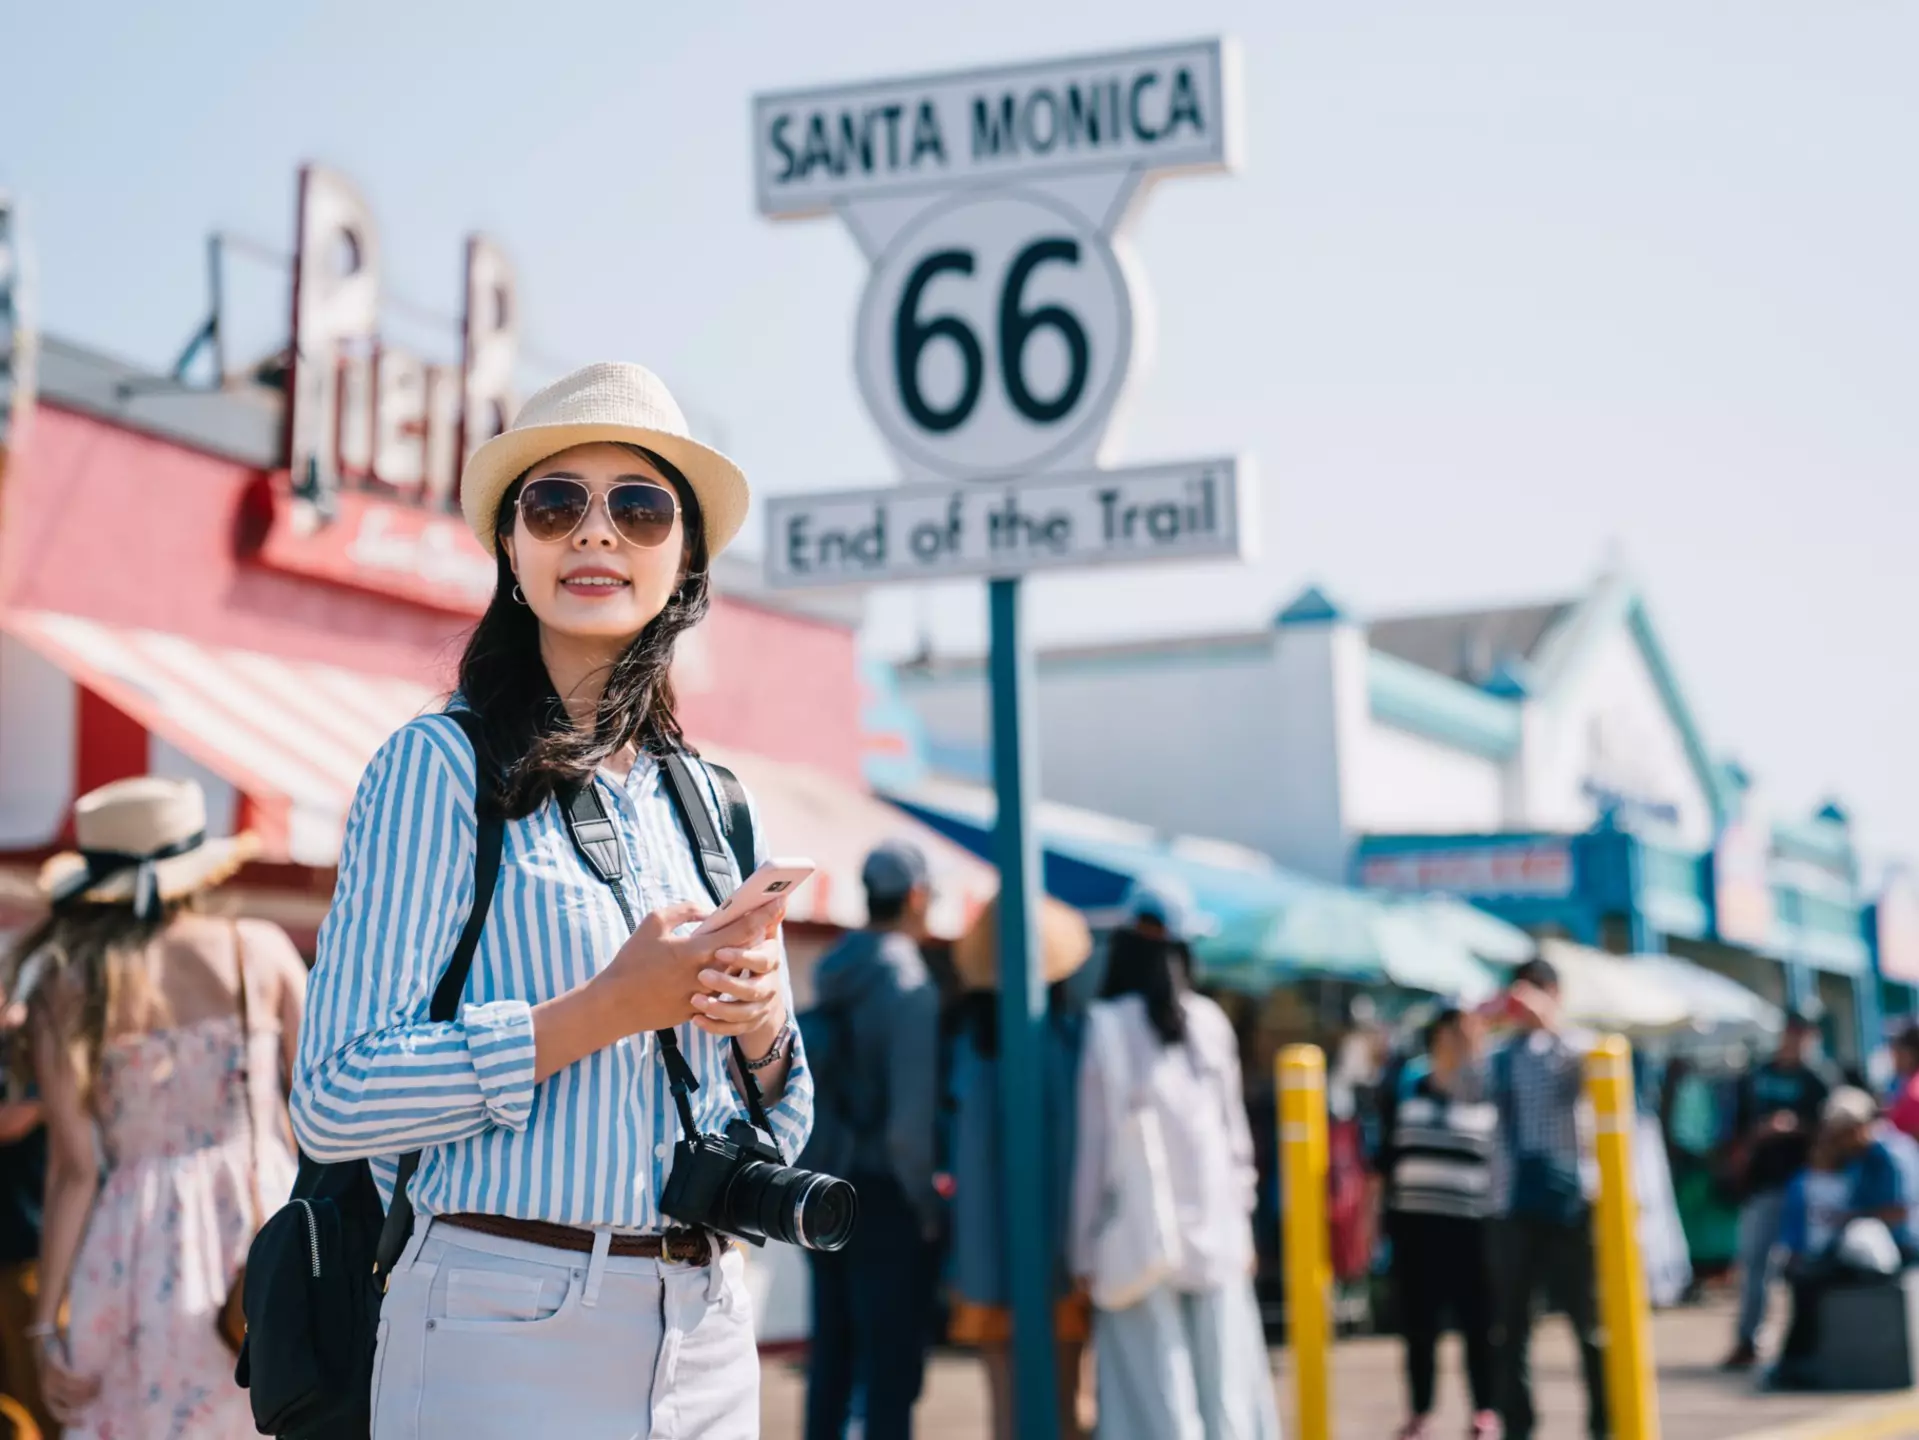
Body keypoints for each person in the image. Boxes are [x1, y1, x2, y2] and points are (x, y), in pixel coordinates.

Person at [291, 363, 811, 1438]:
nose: (595, 534)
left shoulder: (712, 803)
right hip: (498, 1327)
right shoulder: (437, 767)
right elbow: (333, 1099)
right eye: (554, 503)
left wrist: (761, 1031)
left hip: (709, 1330)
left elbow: (784, 1122)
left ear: (685, 561)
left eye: (638, 506)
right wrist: (607, 1008)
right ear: (510, 550)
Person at [3, 777, 305, 1438]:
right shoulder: (260, 949)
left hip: (129, 1250)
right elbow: (326, 1106)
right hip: (259, 1225)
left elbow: (73, 1171)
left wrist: (43, 1319)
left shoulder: (70, 980)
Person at [1070, 928, 1279, 1440]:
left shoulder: (1106, 1027)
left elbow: (1093, 1152)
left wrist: (1081, 1250)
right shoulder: (1210, 1021)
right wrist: (1244, 1222)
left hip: (1139, 1240)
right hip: (1217, 1236)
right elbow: (1235, 1140)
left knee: (1158, 1408)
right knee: (1226, 1399)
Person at [800, 840, 942, 1440]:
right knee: (889, 1367)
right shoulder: (909, 985)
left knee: (830, 1355)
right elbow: (910, 1129)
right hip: (885, 1194)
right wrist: (928, 1207)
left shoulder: (834, 971)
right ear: (915, 897)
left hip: (824, 1186)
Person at [945, 897, 1095, 1440]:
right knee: (1069, 1406)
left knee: (1005, 1416)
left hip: (987, 1257)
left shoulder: (969, 1048)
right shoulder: (1072, 1043)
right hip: (1063, 1253)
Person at [1485, 958, 1606, 1440]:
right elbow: (1461, 1082)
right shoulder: (1499, 1054)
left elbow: (1592, 1068)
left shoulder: (1575, 1045)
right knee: (1511, 1327)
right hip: (1513, 1204)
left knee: (1590, 1325)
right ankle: (1519, 1425)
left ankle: (1604, 1422)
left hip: (1571, 1201)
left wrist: (1546, 1020)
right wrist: (1481, 1018)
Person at [1375, 1007, 1500, 1440]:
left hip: (1472, 1227)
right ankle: (1421, 1412)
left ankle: (1485, 1409)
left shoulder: (1488, 1092)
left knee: (1479, 1326)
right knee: (1418, 1326)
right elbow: (1385, 1161)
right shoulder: (1406, 1085)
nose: (1457, 1042)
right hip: (1415, 1227)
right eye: (1450, 1034)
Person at [1768, 1088, 1914, 1388]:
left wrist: (1849, 1219)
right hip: (1875, 1245)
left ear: (1856, 1127)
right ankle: (1798, 1361)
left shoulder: (1888, 1155)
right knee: (1803, 1274)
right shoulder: (1868, 1154)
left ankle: (1796, 1364)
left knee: (1808, 1280)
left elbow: (1900, 1212)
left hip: (1899, 1250)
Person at [1722, 1012, 1840, 1370]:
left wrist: (1797, 1128)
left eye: (1802, 1034)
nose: (1795, 1041)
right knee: (1756, 1264)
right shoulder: (1758, 1075)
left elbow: (1835, 1131)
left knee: (1806, 1266)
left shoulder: (1820, 1079)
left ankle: (1810, 1342)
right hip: (1764, 1185)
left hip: (1808, 1185)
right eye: (1792, 1033)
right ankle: (1749, 1340)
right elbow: (1736, 1129)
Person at [1882, 1026, 1919, 1141]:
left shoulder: (1914, 1092)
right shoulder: (1906, 1083)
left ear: (1908, 1055)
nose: (1893, 1058)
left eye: (1896, 1052)